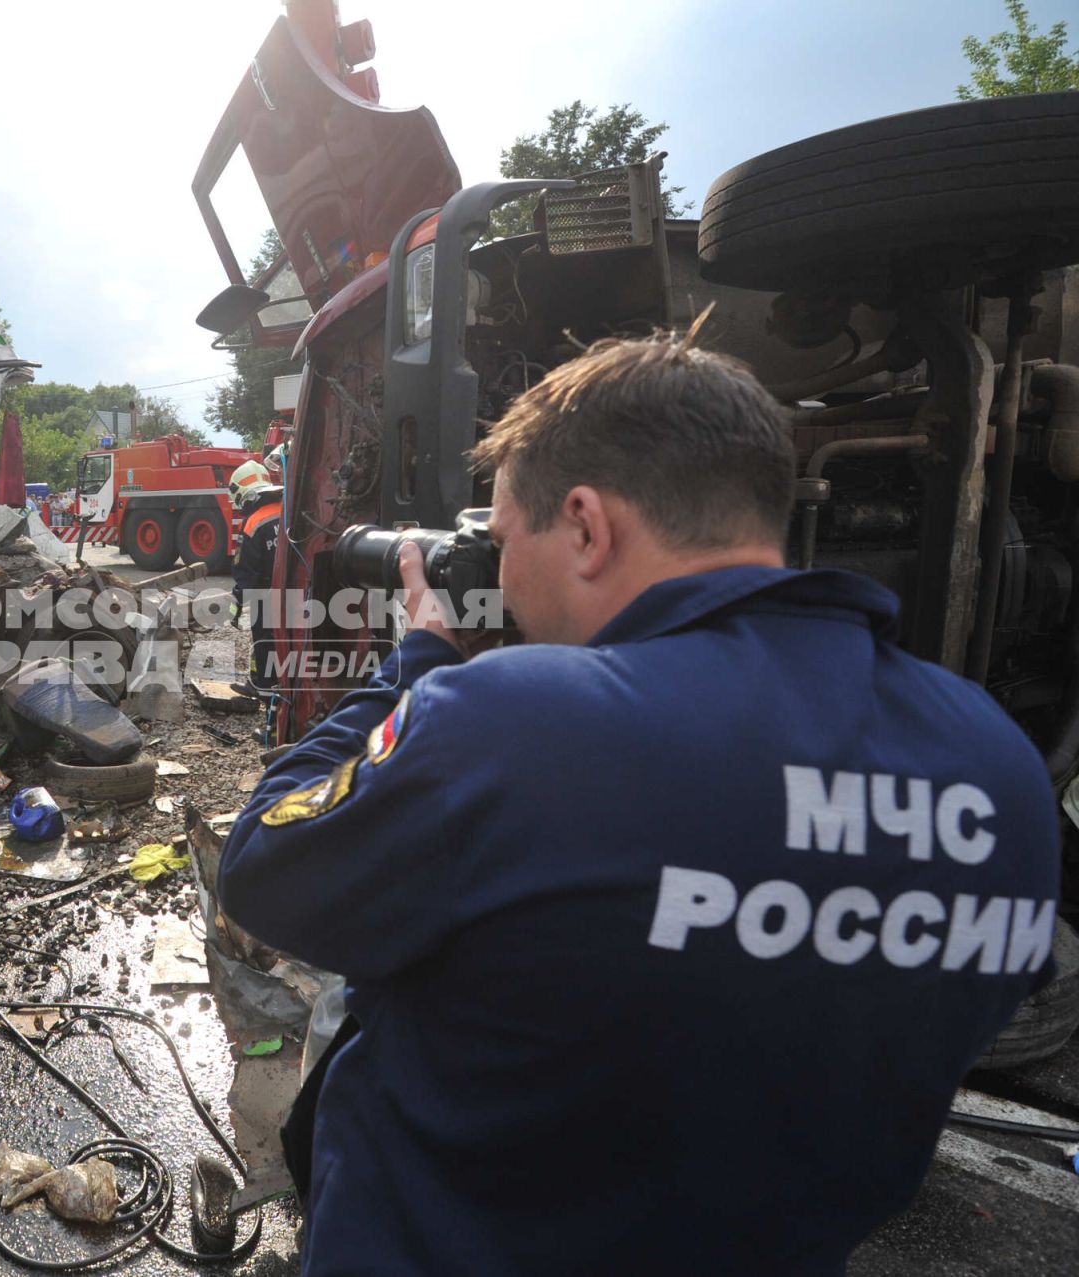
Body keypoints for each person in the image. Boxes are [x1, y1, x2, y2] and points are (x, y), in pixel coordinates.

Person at [217, 330, 1061, 1276]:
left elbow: (262, 866)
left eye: (501, 541)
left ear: (584, 525)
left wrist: (412, 669)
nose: (500, 576)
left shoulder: (507, 727)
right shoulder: (1000, 769)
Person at [227, 459, 283, 693]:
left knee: (264, 640)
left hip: (266, 593)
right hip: (300, 590)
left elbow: (246, 571)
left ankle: (264, 687)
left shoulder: (254, 522)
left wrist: (237, 606)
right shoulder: (288, 510)